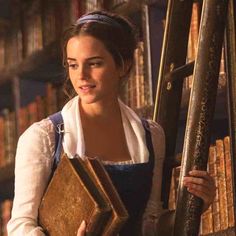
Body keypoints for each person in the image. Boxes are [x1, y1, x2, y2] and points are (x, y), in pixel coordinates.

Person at [7, 10, 216, 236]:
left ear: (123, 65)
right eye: (73, 65)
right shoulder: (43, 137)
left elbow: (149, 224)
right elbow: (21, 226)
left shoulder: (150, 135)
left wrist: (194, 207)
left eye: (94, 64)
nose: (81, 76)